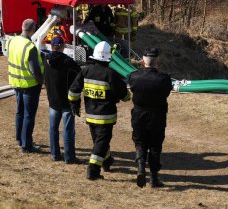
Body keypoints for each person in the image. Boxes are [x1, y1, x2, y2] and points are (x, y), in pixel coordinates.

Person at [68, 41, 130, 180]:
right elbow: (123, 94)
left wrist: (75, 104)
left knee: (99, 141)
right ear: (108, 58)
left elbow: (73, 90)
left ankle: (107, 161)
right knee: (101, 142)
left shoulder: (85, 71)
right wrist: (128, 96)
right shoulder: (110, 74)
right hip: (106, 116)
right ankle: (93, 170)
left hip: (90, 115)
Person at [128, 48, 172, 188]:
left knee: (140, 142)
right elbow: (166, 92)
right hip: (157, 116)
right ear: (157, 61)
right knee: (155, 146)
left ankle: (141, 167)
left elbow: (133, 88)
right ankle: (154, 178)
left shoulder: (133, 76)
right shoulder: (164, 78)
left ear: (143, 60)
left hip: (139, 114)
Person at [7, 19, 44, 153]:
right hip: (30, 85)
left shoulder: (12, 41)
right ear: (33, 29)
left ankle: (19, 139)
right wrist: (42, 81)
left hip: (16, 82)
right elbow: (35, 71)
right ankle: (26, 145)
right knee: (29, 115)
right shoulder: (30, 47)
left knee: (20, 111)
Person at [43, 36, 81, 163]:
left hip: (52, 101)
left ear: (52, 47)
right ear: (63, 47)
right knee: (68, 130)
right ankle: (69, 157)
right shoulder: (68, 62)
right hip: (66, 101)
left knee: (53, 128)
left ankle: (55, 154)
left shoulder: (46, 61)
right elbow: (79, 74)